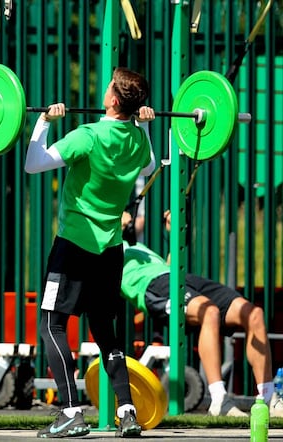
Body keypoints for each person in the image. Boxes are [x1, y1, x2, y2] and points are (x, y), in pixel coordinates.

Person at [25, 67, 156, 438]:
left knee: (51, 324)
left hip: (73, 248)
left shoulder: (88, 136)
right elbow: (147, 165)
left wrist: (43, 121)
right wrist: (143, 126)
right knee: (104, 330)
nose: (105, 89)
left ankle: (70, 411)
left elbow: (33, 164)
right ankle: (127, 412)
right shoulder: (137, 141)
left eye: (109, 87)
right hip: (111, 251)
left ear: (114, 99)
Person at [121, 210, 283, 418]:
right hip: (151, 287)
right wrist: (117, 224)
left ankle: (268, 397)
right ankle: (219, 399)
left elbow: (169, 266)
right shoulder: (104, 249)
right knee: (210, 311)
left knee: (254, 314)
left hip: (175, 276)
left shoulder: (139, 248)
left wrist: (172, 235)